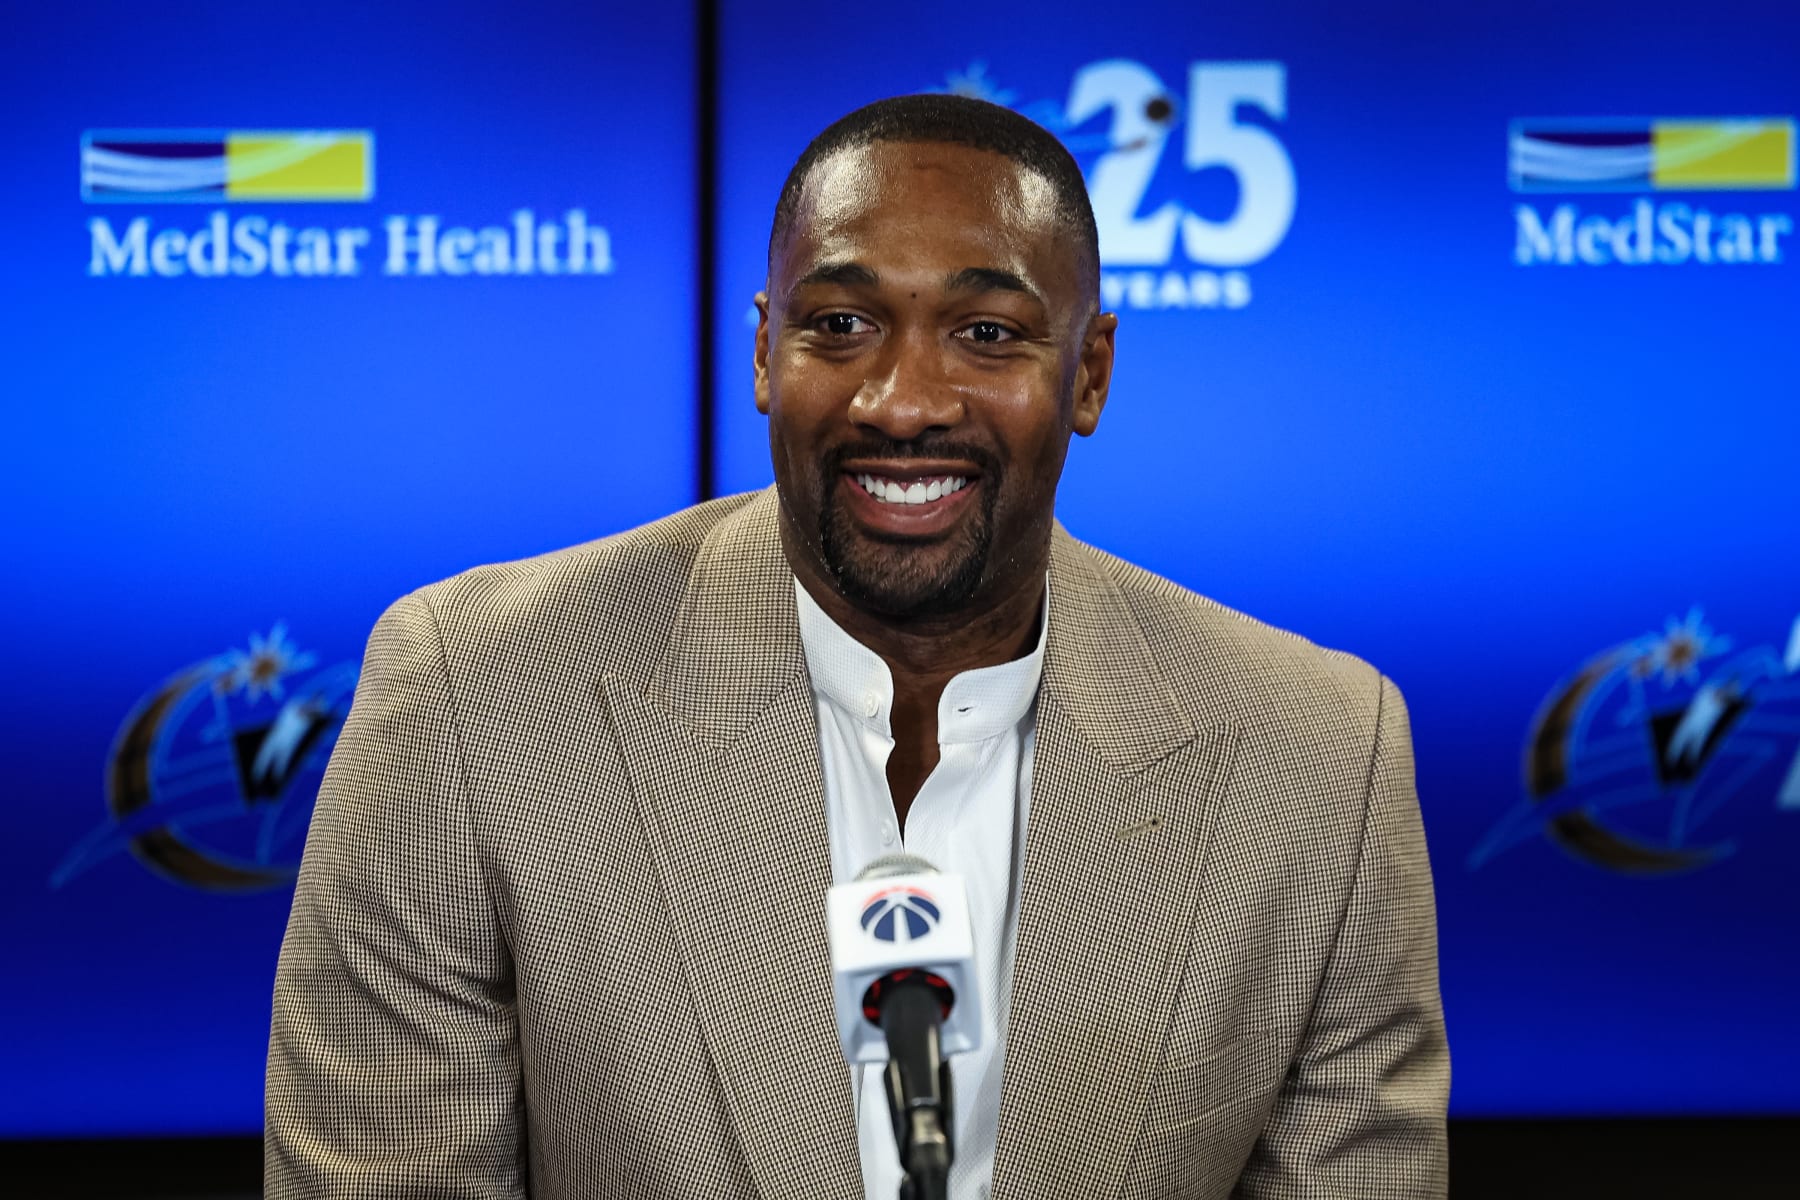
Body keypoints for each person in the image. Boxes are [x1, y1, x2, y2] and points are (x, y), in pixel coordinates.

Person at [266, 94, 1448, 1200]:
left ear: (1088, 373)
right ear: (765, 354)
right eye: (842, 325)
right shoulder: (478, 697)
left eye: (987, 333)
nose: (903, 398)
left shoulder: (1319, 752)